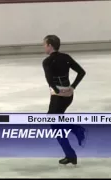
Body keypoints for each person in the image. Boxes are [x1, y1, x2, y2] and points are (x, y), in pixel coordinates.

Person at [42, 35, 86, 165]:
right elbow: (81, 72)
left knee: (54, 122)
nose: (44, 47)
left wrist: (57, 91)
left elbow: (50, 82)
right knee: (57, 122)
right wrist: (72, 87)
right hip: (68, 96)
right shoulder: (66, 58)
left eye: (44, 44)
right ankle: (70, 153)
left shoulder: (47, 62)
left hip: (58, 96)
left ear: (50, 45)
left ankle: (76, 132)